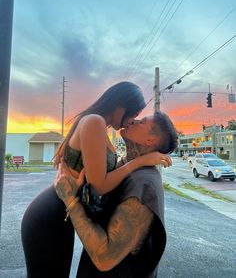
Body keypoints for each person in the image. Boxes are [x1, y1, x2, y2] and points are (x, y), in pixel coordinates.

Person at [21, 81, 171, 278]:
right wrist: (141, 161)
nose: (132, 120)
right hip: (48, 215)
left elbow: (104, 176)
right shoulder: (94, 121)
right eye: (134, 114)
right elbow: (98, 186)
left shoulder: (100, 126)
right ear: (121, 105)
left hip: (62, 214)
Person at [54, 111, 178, 278]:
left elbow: (105, 258)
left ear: (150, 140)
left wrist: (70, 200)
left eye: (141, 122)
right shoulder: (128, 167)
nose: (133, 120)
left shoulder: (143, 186)